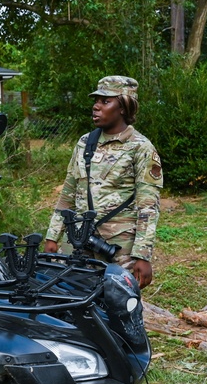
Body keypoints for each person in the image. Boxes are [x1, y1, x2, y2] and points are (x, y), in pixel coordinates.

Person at [44, 76, 163, 288]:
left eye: (105, 101)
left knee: (117, 306)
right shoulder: (84, 143)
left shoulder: (140, 147)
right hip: (78, 241)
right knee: (71, 300)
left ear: (124, 108)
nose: (96, 107)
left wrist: (142, 255)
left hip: (118, 249)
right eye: (96, 101)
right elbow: (68, 195)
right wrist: (53, 237)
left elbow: (148, 206)